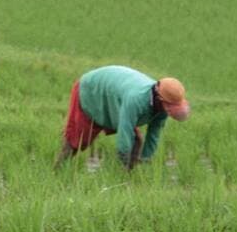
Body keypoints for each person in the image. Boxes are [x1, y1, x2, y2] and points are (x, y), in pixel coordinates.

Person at [56, 66, 189, 170]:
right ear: (160, 98)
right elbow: (125, 128)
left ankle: (126, 177)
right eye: (171, 106)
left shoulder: (164, 106)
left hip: (116, 94)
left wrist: (146, 159)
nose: (171, 111)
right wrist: (124, 157)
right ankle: (58, 169)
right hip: (92, 89)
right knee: (78, 139)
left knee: (136, 141)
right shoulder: (136, 99)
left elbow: (154, 133)